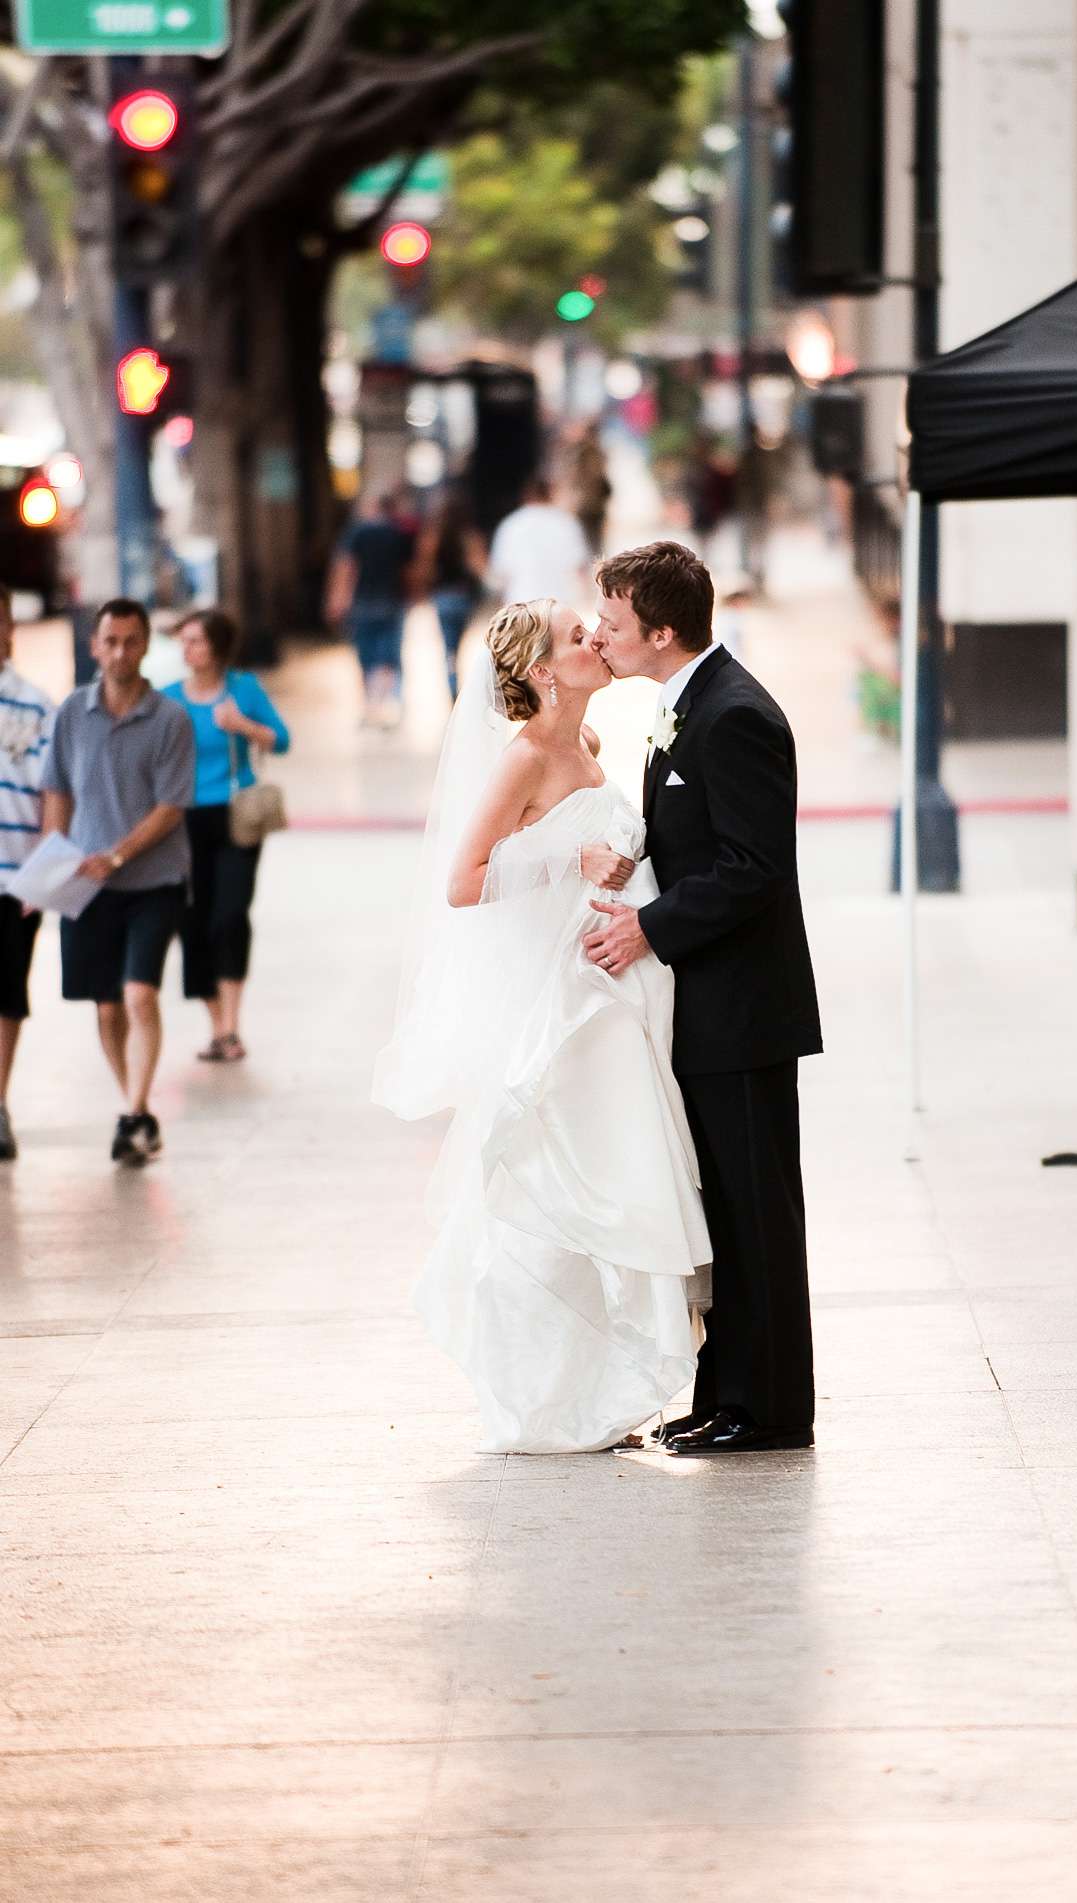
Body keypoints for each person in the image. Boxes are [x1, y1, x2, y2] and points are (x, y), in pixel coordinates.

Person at [373, 597, 711, 1454]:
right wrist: (570, 857)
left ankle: (603, 1386)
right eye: (575, 636)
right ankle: (545, 1395)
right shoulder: (522, 759)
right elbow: (464, 879)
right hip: (562, 1004)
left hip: (611, 987)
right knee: (560, 1186)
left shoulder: (588, 743)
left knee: (614, 1170)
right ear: (540, 671)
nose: (594, 639)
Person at [590, 541, 821, 1456]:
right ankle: (724, 1391)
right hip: (709, 1006)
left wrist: (648, 927)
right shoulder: (682, 707)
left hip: (745, 1009)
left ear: (661, 629)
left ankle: (769, 1411)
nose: (601, 637)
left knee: (757, 1212)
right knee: (725, 1209)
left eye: (612, 624)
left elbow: (752, 870)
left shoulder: (734, 716)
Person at [42, 599, 195, 1166]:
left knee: (139, 993)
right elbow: (56, 789)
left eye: (131, 641)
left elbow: (171, 805)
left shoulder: (169, 719)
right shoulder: (71, 714)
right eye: (110, 641)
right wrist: (53, 865)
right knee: (106, 1008)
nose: (119, 652)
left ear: (146, 644)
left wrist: (118, 854)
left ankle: (134, 1110)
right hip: (87, 884)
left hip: (153, 879)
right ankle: (133, 1106)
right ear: (94, 645)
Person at [163, 608, 291, 1062]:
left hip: (238, 815)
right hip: (182, 821)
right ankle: (216, 1024)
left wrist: (242, 726)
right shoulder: (168, 699)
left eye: (195, 640)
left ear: (216, 647)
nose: (187, 649)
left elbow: (282, 739)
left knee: (230, 915)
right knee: (193, 921)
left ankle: (232, 1026)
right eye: (183, 641)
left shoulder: (243, 689)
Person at [0, 585, 56, 1161]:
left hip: (13, 877)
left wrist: (44, 873)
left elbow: (55, 795)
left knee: (7, 993)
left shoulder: (37, 706)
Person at [326, 492, 420, 727]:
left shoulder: (358, 531)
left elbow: (346, 566)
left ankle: (370, 704)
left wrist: (338, 598)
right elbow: (408, 570)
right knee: (388, 656)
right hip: (391, 601)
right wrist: (413, 595)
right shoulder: (398, 534)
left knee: (366, 656)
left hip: (362, 603)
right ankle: (381, 703)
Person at [419, 491, 487, 701]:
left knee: (448, 646)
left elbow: (425, 566)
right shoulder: (470, 536)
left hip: (443, 596)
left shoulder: (433, 535)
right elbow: (479, 566)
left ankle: (452, 686)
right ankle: (457, 681)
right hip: (463, 596)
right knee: (458, 644)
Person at [486, 477, 591, 608]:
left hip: (520, 604)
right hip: (558, 605)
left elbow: (500, 574)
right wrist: (585, 603)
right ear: (551, 494)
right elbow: (580, 568)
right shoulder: (566, 522)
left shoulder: (511, 524)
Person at [569, 422, 612, 557]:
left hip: (585, 502)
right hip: (596, 502)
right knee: (596, 539)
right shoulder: (599, 452)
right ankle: (598, 563)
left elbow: (574, 477)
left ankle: (593, 565)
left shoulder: (581, 452)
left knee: (586, 538)